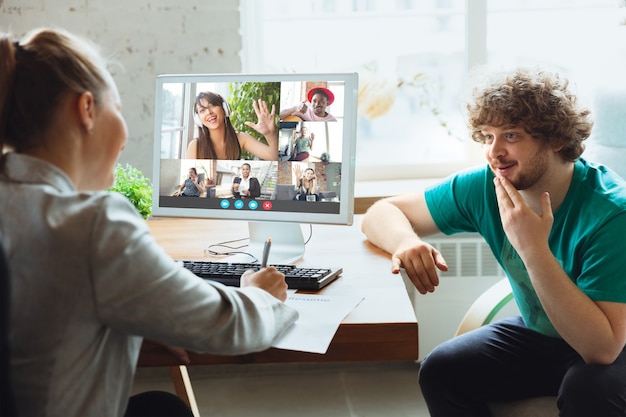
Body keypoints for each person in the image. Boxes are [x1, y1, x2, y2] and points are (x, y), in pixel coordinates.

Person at [0, 27, 298, 417]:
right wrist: (259, 291)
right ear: (86, 109)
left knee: (162, 407)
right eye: (118, 110)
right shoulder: (94, 225)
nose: (124, 134)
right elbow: (230, 327)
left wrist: (150, 315)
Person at [360, 67, 626, 416]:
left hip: (613, 340)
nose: (494, 152)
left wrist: (532, 248)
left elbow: (601, 350)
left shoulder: (611, 214)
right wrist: (405, 243)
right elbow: (381, 213)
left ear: (556, 139)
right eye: (487, 136)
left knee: (587, 389)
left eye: (511, 136)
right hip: (544, 336)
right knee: (441, 370)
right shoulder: (488, 184)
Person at [186, 91, 278, 160]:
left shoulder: (241, 138)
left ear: (225, 109)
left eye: (212, 105)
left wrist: (270, 133)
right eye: (202, 110)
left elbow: (273, 157)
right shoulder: (195, 146)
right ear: (198, 119)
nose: (209, 112)